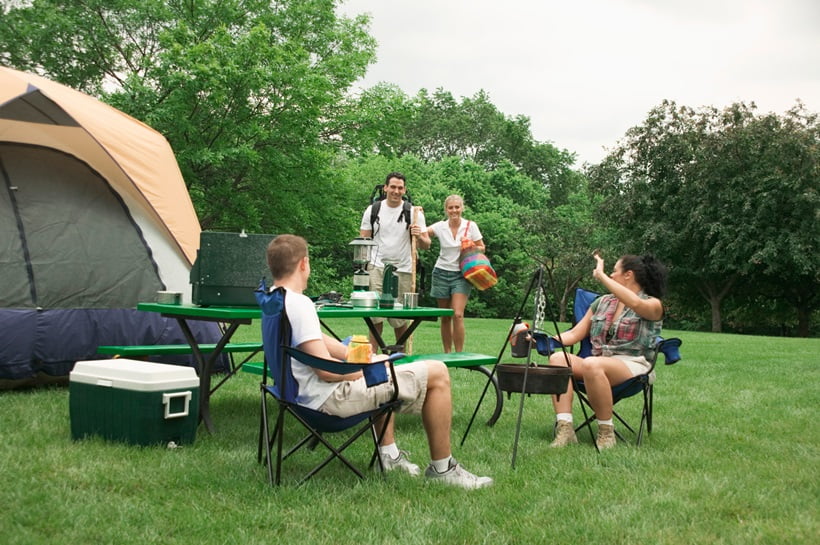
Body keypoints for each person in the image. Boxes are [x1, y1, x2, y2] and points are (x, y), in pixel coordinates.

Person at [265, 234, 492, 489]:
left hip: (298, 397)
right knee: (437, 372)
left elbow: (316, 339)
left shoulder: (276, 298)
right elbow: (325, 372)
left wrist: (363, 357)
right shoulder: (301, 304)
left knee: (381, 363)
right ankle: (443, 469)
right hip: (327, 401)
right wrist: (369, 369)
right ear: (304, 264)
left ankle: (390, 455)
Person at [546, 252, 668, 449]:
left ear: (628, 275)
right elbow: (576, 333)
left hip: (633, 364)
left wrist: (601, 276)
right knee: (558, 358)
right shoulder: (602, 302)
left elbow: (635, 303)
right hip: (597, 363)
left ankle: (606, 432)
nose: (611, 275)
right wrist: (544, 340)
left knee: (592, 364)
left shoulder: (653, 304)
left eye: (614, 271)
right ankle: (565, 428)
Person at [360, 172, 430, 350]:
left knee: (399, 319)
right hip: (376, 266)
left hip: (403, 269)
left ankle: (400, 358)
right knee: (375, 317)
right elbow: (364, 240)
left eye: (400, 188)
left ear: (404, 190)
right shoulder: (373, 210)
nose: (396, 191)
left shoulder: (414, 213)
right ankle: (373, 357)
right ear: (385, 188)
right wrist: (363, 267)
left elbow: (426, 245)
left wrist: (418, 236)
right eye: (392, 187)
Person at [425, 194, 484, 353]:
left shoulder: (470, 226)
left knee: (457, 314)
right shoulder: (440, 226)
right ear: (446, 210)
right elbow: (423, 232)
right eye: (450, 208)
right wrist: (417, 220)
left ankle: (459, 354)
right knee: (445, 316)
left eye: (457, 207)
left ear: (462, 208)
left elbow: (482, 248)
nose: (454, 210)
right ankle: (447, 353)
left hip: (461, 275)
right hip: (441, 273)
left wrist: (470, 245)